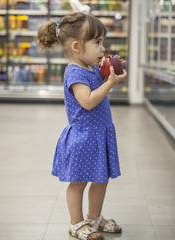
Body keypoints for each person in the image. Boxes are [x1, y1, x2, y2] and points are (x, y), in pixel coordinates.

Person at [37, 12, 127, 240]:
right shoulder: (74, 72)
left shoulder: (92, 68)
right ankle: (76, 223)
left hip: (100, 135)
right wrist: (110, 84)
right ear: (77, 46)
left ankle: (94, 218)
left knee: (100, 179)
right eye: (97, 42)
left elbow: (100, 85)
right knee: (78, 183)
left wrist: (110, 72)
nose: (103, 48)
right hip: (84, 137)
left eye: (102, 42)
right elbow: (87, 102)